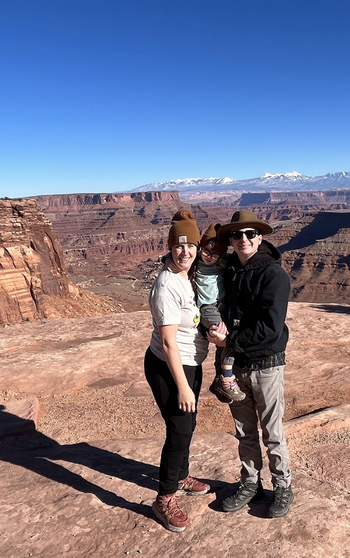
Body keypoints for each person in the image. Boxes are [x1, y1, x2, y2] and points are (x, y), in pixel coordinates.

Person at [207, 210, 294, 518]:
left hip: (265, 365)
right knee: (244, 431)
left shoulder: (273, 274)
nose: (243, 239)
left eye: (249, 234)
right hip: (234, 367)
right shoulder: (228, 271)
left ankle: (282, 486)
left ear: (260, 237)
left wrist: (228, 342)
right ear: (230, 240)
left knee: (272, 432)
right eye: (236, 235)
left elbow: (270, 328)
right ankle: (251, 484)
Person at [144, 209, 211, 533]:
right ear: (170, 248)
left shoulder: (191, 275)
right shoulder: (166, 285)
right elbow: (169, 343)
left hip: (191, 362)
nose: (185, 252)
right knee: (180, 428)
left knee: (188, 423)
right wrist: (182, 387)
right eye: (179, 246)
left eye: (191, 246)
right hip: (168, 366)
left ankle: (181, 475)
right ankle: (165, 497)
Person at [196, 222, 246, 404]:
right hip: (207, 307)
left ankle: (220, 377)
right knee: (225, 334)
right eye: (206, 252)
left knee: (233, 335)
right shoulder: (194, 260)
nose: (209, 257)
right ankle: (226, 378)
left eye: (215, 254)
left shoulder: (223, 262)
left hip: (223, 305)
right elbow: (176, 252)